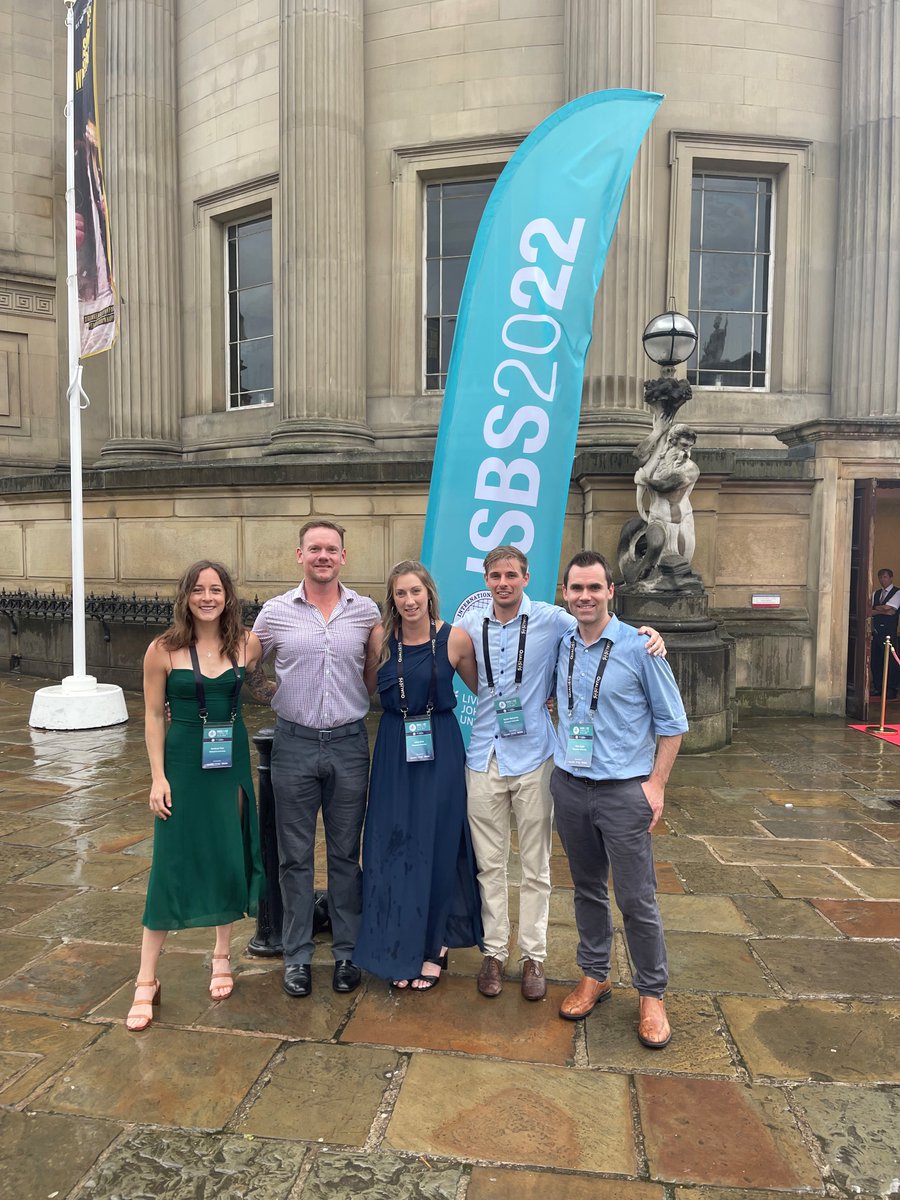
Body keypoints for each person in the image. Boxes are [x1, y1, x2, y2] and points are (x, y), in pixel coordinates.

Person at [458, 546, 668, 1002]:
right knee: (489, 864)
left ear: (526, 578)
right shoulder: (470, 622)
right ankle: (494, 952)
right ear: (486, 579)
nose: (503, 583)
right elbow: (447, 651)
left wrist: (650, 634)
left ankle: (534, 955)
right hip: (484, 755)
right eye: (495, 576)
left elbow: (601, 626)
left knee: (537, 866)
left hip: (536, 756)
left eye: (511, 575)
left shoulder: (555, 620)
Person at [550, 551, 688, 1049]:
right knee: (586, 888)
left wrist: (656, 786)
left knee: (636, 897)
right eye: (576, 588)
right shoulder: (560, 643)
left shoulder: (640, 647)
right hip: (571, 785)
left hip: (624, 791)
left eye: (594, 587)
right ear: (565, 594)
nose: (585, 596)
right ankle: (596, 974)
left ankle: (651, 994)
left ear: (611, 591)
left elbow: (673, 724)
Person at [126, 561, 265, 1031]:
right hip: (183, 764)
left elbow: (265, 685)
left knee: (227, 854)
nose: (208, 597)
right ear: (186, 596)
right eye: (199, 590)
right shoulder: (162, 649)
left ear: (228, 596)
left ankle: (222, 954)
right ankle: (146, 979)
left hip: (230, 764)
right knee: (172, 865)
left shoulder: (247, 643)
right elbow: (152, 716)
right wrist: (157, 777)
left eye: (216, 589)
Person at [248, 522, 381, 999]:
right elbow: (244, 662)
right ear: (299, 555)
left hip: (348, 744)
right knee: (294, 857)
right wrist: (268, 692)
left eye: (331, 549)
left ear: (343, 556)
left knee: (346, 855)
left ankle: (347, 952)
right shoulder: (276, 612)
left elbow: (376, 667)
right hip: (295, 744)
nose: (322, 556)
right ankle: (298, 956)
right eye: (314, 549)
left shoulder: (365, 610)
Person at [354, 561, 482, 989]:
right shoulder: (380, 639)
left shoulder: (455, 639)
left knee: (439, 843)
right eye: (400, 594)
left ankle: (435, 946)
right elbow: (365, 689)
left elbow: (487, 690)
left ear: (429, 593)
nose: (409, 601)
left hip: (440, 746)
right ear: (392, 600)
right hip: (395, 745)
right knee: (393, 845)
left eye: (415, 591)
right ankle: (397, 943)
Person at [869, 567, 900, 700]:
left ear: (891, 578)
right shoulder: (876, 593)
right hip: (876, 632)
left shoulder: (897, 592)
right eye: (881, 577)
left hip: (889, 632)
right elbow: (869, 611)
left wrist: (878, 609)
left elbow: (891, 609)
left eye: (885, 577)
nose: (883, 580)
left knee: (890, 661)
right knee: (876, 660)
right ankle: (878, 687)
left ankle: (891, 689)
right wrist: (882, 610)